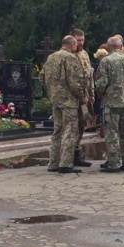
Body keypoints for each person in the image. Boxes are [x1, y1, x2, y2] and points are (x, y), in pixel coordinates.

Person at [40, 35, 87, 174]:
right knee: (70, 130)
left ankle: (53, 163)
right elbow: (74, 81)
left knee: (57, 131)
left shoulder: (51, 57)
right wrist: (82, 96)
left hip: (56, 100)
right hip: (69, 101)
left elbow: (42, 76)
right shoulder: (70, 58)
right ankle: (66, 163)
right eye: (75, 44)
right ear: (72, 44)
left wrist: (52, 90)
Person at [95, 37, 124, 172]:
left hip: (111, 104)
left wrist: (100, 94)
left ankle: (114, 162)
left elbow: (101, 83)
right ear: (121, 46)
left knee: (112, 133)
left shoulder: (106, 61)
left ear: (109, 47)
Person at [71, 29, 94, 168]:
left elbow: (89, 75)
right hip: (73, 98)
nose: (81, 43)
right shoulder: (69, 55)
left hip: (85, 97)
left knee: (81, 126)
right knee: (71, 128)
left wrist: (91, 93)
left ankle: (77, 155)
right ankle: (69, 157)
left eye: (82, 40)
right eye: (78, 40)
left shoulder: (84, 54)